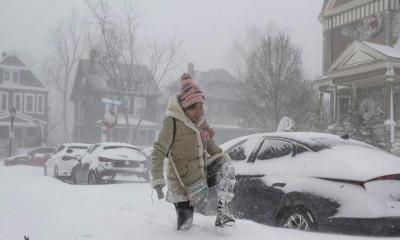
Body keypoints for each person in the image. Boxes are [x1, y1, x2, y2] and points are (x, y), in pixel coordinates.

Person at [151, 73, 236, 230]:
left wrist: (225, 158)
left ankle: (223, 211)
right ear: (185, 108)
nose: (199, 112)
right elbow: (158, 150)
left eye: (201, 107)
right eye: (195, 108)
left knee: (226, 165)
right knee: (185, 225)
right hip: (181, 183)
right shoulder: (172, 122)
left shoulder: (201, 121)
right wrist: (157, 179)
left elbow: (212, 147)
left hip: (200, 175)